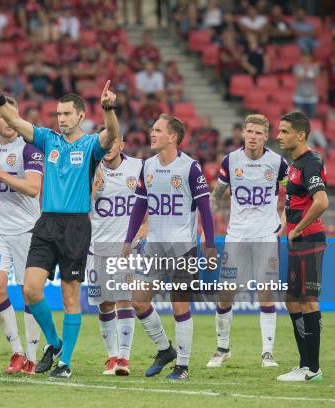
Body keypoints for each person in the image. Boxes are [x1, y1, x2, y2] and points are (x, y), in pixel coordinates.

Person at [0, 68, 119, 378]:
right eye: (58, 114)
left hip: (75, 226)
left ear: (81, 117)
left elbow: (113, 135)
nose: (62, 118)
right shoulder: (47, 140)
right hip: (46, 223)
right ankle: (54, 342)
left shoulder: (91, 146)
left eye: (68, 114)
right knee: (30, 290)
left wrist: (109, 110)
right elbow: (14, 121)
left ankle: (65, 362)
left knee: (70, 296)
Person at [124, 114, 216, 380]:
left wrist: (209, 244)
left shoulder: (190, 168)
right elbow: (139, 206)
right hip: (153, 247)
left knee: (179, 307)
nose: (151, 134)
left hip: (183, 248)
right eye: (151, 129)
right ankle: (165, 350)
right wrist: (128, 241)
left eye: (157, 130)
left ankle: (183, 367)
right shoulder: (148, 166)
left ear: (173, 137)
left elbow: (205, 209)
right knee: (138, 301)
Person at [206, 114, 288, 369]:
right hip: (237, 235)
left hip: (266, 235)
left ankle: (267, 353)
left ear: (266, 136)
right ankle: (222, 349)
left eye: (258, 133)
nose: (252, 137)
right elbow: (216, 195)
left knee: (266, 292)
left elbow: (295, 194)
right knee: (225, 293)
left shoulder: (278, 163)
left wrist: (284, 220)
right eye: (249, 132)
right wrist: (207, 227)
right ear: (243, 133)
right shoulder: (232, 160)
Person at [0, 97, 44, 374]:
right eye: (2, 117)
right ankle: (17, 352)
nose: (8, 122)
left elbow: (32, 188)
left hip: (28, 229)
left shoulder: (31, 147)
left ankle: (31, 355)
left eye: (12, 116)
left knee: (30, 293)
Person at [276, 112, 328, 383]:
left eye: (284, 131)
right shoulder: (295, 163)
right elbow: (297, 200)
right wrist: (286, 223)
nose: (279, 136)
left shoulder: (310, 162)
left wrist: (296, 228)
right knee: (292, 300)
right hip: (298, 239)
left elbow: (321, 201)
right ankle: (304, 364)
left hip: (309, 239)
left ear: (301, 134)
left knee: (307, 301)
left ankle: (313, 368)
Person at [87, 135, 143, 376]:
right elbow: (80, 207)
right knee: (105, 303)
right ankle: (111, 356)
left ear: (122, 144)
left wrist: (144, 231)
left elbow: (151, 200)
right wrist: (92, 189)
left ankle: (124, 358)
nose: (109, 148)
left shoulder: (139, 167)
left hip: (125, 247)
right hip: (97, 246)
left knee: (124, 300)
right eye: (106, 143)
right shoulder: (90, 170)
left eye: (114, 143)